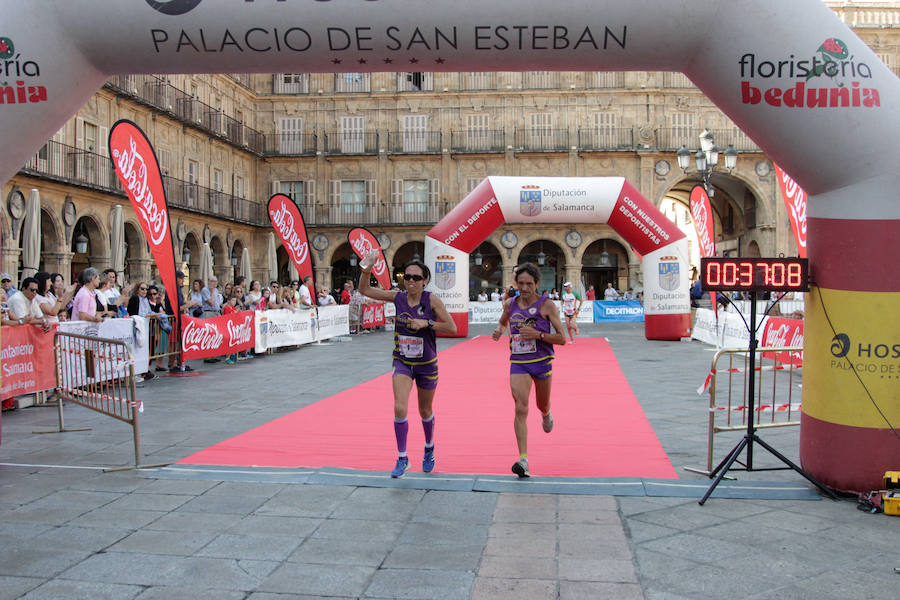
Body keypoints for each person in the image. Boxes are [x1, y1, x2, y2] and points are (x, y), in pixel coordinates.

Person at [357, 249, 457, 478]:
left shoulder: (431, 300)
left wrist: (427, 324)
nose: (410, 281)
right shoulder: (398, 297)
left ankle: (429, 448)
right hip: (402, 360)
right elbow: (364, 290)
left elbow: (451, 327)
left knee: (425, 410)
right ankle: (402, 458)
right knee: (400, 407)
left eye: (416, 278)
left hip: (427, 363)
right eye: (407, 277)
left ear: (425, 280)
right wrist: (367, 267)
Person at [492, 263, 566, 478]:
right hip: (519, 361)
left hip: (542, 360)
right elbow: (503, 322)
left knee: (541, 403)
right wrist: (499, 330)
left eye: (529, 284)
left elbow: (561, 338)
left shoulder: (547, 306)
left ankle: (545, 413)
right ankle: (523, 459)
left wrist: (538, 334)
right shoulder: (509, 304)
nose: (524, 288)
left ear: (537, 284)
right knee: (520, 407)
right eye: (521, 283)